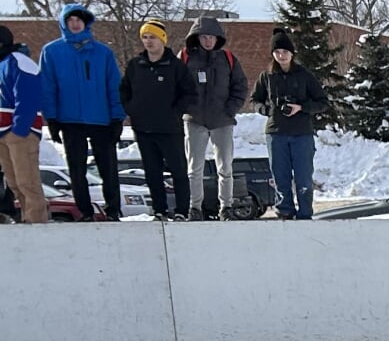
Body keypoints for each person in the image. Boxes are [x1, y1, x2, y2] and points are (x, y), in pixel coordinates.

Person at [40, 3, 126, 221]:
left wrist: (118, 117)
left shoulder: (103, 52)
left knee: (108, 168)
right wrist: (51, 117)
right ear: (64, 23)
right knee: (77, 170)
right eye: (70, 20)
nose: (75, 24)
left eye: (79, 20)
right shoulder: (51, 51)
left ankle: (113, 209)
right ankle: (85, 211)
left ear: (86, 23)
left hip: (101, 119)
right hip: (69, 120)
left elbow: (114, 86)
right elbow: (47, 87)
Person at [120, 19, 198, 220]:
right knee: (152, 173)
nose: (148, 42)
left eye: (152, 37)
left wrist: (175, 111)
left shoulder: (175, 66)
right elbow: (124, 91)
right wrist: (132, 110)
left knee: (178, 171)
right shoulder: (136, 65)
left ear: (162, 39)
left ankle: (181, 210)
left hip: (169, 128)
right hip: (144, 128)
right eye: (145, 37)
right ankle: (159, 210)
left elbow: (190, 93)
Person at [248, 30, 328, 220]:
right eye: (277, 52)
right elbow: (254, 100)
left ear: (292, 53)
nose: (281, 56)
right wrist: (267, 110)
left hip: (301, 133)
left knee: (303, 177)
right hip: (276, 133)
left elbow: (322, 102)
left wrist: (301, 107)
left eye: (285, 51)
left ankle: (305, 213)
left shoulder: (304, 75)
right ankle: (284, 211)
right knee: (280, 176)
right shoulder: (267, 76)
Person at [179, 16, 247, 219]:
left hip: (222, 120)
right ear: (196, 38)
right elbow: (175, 85)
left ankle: (226, 206)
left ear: (218, 38)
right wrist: (186, 108)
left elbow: (240, 86)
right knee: (194, 168)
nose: (208, 41)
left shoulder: (228, 59)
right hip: (194, 119)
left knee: (225, 167)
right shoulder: (185, 58)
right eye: (204, 37)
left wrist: (230, 109)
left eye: (212, 37)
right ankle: (195, 207)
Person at [0, 25, 46, 224]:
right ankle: (27, 219)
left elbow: (27, 98)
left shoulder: (19, 62)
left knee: (28, 181)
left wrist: (19, 129)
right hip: (2, 133)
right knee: (14, 182)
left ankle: (37, 223)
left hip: (20, 132)